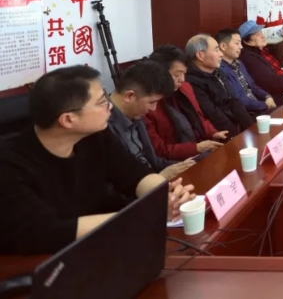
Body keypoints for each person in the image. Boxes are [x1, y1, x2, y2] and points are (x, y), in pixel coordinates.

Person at [0, 66, 195, 254]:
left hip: (102, 245)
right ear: (68, 120)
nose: (110, 107)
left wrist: (166, 195)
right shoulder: (10, 164)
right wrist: (144, 214)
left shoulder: (93, 136)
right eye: (102, 102)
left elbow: (134, 173)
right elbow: (47, 231)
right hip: (46, 261)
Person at [107, 61, 194, 180]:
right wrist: (159, 178)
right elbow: (116, 184)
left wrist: (183, 166)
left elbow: (153, 162)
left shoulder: (136, 114)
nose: (153, 109)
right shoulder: (102, 129)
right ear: (129, 96)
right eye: (152, 102)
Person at [145, 45, 226, 161]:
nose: (182, 79)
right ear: (159, 74)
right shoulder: (148, 104)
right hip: (178, 161)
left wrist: (213, 133)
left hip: (201, 148)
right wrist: (196, 148)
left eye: (184, 73)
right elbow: (159, 149)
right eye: (177, 75)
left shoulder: (185, 87)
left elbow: (199, 118)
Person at [185, 34, 255, 136]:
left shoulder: (219, 72)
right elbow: (213, 114)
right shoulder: (192, 82)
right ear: (200, 55)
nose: (221, 54)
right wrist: (236, 137)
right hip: (221, 134)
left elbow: (233, 101)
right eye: (216, 50)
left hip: (238, 126)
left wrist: (251, 128)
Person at [237, 20, 283, 102]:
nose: (262, 36)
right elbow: (273, 83)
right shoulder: (249, 58)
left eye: (261, 32)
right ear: (247, 41)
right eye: (257, 35)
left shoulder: (264, 50)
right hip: (277, 99)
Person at [215, 28, 276, 116]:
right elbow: (238, 99)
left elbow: (253, 86)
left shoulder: (239, 63)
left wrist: (267, 96)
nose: (241, 47)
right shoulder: (220, 70)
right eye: (237, 43)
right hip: (248, 113)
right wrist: (264, 105)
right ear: (223, 46)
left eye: (240, 43)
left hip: (259, 107)